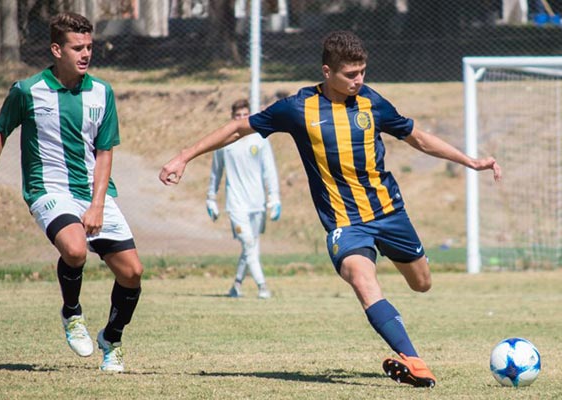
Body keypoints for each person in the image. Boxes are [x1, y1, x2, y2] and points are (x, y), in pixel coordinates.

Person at [158, 30, 501, 388]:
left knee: (422, 283)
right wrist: (183, 157)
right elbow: (238, 129)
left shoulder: (373, 103)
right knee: (361, 278)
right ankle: (413, 360)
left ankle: (407, 339)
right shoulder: (297, 108)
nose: (359, 80)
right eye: (350, 74)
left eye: (362, 72)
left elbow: (417, 137)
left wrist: (470, 161)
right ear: (327, 71)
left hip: (389, 213)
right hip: (345, 222)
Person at [0, 12, 143, 373]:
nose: (85, 54)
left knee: (132, 273)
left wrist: (97, 205)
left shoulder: (101, 93)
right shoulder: (27, 90)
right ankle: (72, 313)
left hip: (93, 192)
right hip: (47, 189)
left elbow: (105, 151)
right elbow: (0, 131)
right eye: (77, 47)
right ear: (56, 49)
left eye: (89, 47)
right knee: (75, 248)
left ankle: (111, 338)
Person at [206, 99, 281, 299]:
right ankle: (262, 286)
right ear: (232, 118)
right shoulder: (225, 144)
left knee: (251, 247)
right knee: (248, 243)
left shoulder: (260, 139)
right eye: (238, 116)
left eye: (245, 115)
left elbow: (269, 171)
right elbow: (216, 173)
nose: (241, 119)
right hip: (236, 204)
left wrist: (274, 198)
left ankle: (236, 286)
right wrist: (211, 198)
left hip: (257, 203)